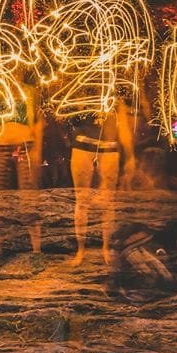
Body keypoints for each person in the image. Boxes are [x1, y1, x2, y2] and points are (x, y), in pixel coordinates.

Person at [69, 100, 135, 266]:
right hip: (82, 145)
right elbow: (71, 116)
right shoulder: (83, 90)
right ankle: (81, 250)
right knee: (82, 200)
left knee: (107, 202)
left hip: (109, 147)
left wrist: (130, 155)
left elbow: (124, 125)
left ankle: (105, 248)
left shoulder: (116, 96)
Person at [0, 85, 44, 256]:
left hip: (25, 145)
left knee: (28, 196)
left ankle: (36, 251)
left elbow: (39, 122)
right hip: (2, 146)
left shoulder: (30, 92)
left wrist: (36, 151)